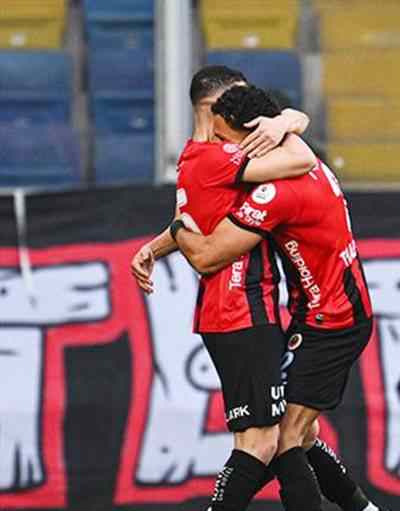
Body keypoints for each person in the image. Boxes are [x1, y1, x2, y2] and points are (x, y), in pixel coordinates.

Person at [169, 84, 378, 511]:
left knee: (283, 439)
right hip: (319, 313)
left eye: (227, 140)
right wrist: (288, 120)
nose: (221, 149)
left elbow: (209, 255)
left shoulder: (277, 192)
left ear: (254, 137)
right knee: (300, 435)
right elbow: (293, 132)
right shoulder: (303, 159)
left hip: (333, 321)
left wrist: (176, 228)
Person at [130, 65, 320, 511]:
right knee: (261, 442)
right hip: (243, 311)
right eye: (241, 101)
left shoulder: (195, 156)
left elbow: (193, 220)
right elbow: (303, 160)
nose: (250, 112)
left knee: (289, 434)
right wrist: (286, 121)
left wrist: (155, 248)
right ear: (217, 107)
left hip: (230, 312)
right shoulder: (223, 159)